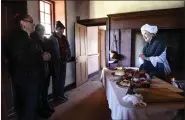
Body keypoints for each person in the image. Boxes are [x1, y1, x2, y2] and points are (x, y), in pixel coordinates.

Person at [6, 14, 50, 120]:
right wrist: (41, 57)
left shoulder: (25, 37)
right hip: (26, 81)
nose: (33, 24)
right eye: (31, 22)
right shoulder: (18, 38)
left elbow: (28, 55)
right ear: (23, 23)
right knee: (28, 111)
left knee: (30, 109)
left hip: (29, 80)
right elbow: (21, 60)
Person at [30, 24, 55, 118]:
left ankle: (45, 105)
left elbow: (48, 51)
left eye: (43, 30)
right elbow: (34, 56)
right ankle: (41, 110)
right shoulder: (33, 41)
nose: (42, 32)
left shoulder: (45, 40)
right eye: (40, 30)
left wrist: (48, 55)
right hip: (38, 71)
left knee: (45, 90)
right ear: (37, 31)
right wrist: (43, 56)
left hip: (46, 69)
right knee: (39, 93)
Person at [49, 21, 71, 102]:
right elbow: (50, 50)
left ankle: (61, 94)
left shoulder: (64, 37)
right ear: (56, 29)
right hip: (56, 63)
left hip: (63, 61)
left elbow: (68, 48)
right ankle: (56, 97)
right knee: (56, 80)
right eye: (60, 29)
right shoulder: (52, 38)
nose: (62, 31)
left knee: (62, 79)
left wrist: (68, 56)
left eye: (63, 29)